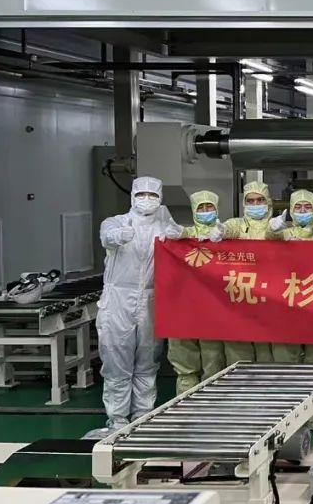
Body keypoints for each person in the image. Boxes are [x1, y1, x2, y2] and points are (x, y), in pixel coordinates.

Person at [94, 176, 184, 433]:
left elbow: (188, 242)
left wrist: (183, 235)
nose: (147, 199)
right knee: (116, 360)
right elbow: (107, 237)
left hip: (151, 299)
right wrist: (118, 236)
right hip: (118, 299)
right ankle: (117, 419)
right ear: (132, 196)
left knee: (147, 360)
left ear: (160, 198)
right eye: (141, 194)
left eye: (152, 195)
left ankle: (143, 416)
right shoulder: (116, 222)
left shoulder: (165, 226)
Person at [167, 190, 227, 395]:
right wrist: (174, 238)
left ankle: (212, 402)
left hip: (215, 308)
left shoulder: (225, 236)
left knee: (214, 359)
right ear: (194, 210)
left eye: (209, 207)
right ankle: (185, 402)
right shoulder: (181, 237)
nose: (205, 211)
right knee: (184, 357)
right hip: (185, 307)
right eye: (201, 208)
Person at [267, 189, 313, 365]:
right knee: (285, 356)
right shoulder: (284, 233)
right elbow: (268, 240)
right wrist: (272, 229)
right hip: (286, 300)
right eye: (298, 207)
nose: (303, 211)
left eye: (307, 207)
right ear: (291, 210)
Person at [216, 181, 275, 364]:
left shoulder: (277, 226)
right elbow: (229, 229)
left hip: (270, 296)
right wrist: (221, 231)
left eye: (260, 200)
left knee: (267, 351)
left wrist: (277, 231)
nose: (255, 204)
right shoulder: (237, 224)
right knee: (239, 350)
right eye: (250, 201)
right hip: (241, 294)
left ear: (268, 202)